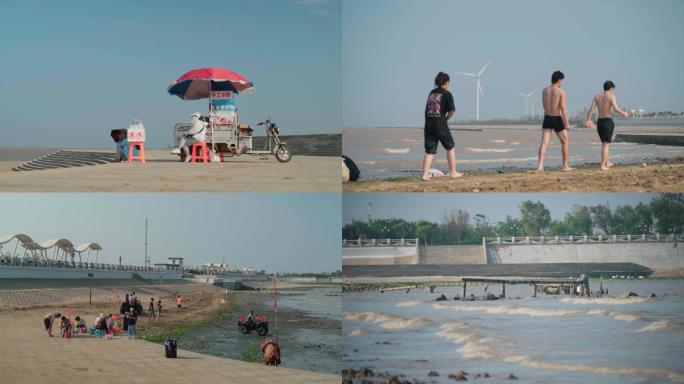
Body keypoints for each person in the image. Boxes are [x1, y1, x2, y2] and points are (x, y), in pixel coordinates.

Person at [421, 72, 464, 181]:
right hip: (440, 124)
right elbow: (451, 111)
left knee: (429, 151)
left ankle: (425, 175)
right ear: (446, 82)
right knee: (450, 147)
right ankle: (453, 172)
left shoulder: (431, 93)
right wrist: (445, 119)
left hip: (429, 124)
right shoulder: (447, 94)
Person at [584, 81, 629, 170]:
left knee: (604, 143)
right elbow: (616, 108)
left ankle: (607, 162)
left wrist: (588, 120)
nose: (613, 91)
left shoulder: (597, 96)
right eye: (613, 89)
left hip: (600, 123)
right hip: (608, 122)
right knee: (606, 145)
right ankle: (602, 165)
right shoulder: (611, 96)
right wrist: (624, 113)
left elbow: (591, 109)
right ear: (611, 88)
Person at [538, 71, 573, 172]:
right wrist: (566, 123)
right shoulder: (561, 91)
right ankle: (565, 166)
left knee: (544, 143)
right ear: (559, 80)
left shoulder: (544, 90)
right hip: (557, 118)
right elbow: (563, 108)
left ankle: (540, 166)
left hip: (547, 118)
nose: (562, 83)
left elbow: (544, 106)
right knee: (565, 141)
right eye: (562, 81)